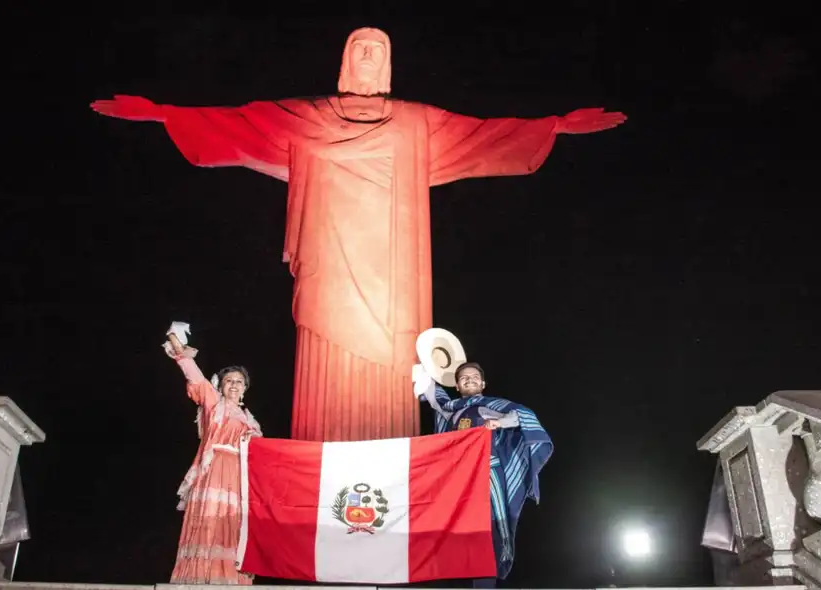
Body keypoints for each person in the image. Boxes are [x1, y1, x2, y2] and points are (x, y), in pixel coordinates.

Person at [92, 27, 626, 443]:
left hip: (394, 275)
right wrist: (164, 115)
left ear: (389, 63)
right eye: (359, 47)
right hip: (328, 260)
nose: (368, 55)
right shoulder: (309, 116)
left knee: (395, 368)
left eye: (378, 48)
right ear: (345, 59)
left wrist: (551, 126)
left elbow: (486, 135)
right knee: (325, 351)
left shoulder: (417, 122)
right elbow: (237, 124)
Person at [413, 361, 553, 588]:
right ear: (457, 385)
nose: (469, 379)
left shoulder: (493, 405)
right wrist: (424, 361)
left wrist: (499, 422)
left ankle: (485, 583)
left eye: (474, 376)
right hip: (457, 478)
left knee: (489, 530)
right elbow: (432, 394)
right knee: (450, 531)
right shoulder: (452, 409)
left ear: (483, 383)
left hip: (487, 473)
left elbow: (523, 415)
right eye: (463, 378)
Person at [164, 339, 263, 585]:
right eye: (229, 380)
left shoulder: (251, 421)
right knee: (210, 522)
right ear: (221, 385)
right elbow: (195, 377)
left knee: (233, 525)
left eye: (239, 382)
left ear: (245, 389)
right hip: (215, 471)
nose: (234, 385)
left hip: (239, 478)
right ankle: (200, 579)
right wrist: (177, 345)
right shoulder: (214, 405)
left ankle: (230, 579)